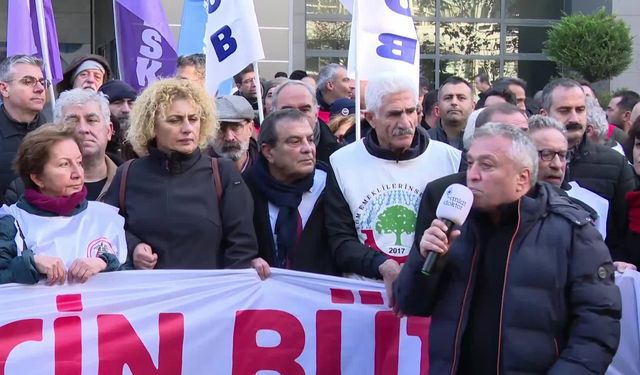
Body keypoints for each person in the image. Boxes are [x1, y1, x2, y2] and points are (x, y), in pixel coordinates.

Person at [395, 123, 621, 375]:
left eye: (487, 165)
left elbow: (596, 332)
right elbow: (411, 303)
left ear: (522, 178)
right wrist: (424, 261)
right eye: (470, 163)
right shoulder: (454, 222)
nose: (473, 174)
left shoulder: (573, 232)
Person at [326, 72, 461, 308]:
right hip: (366, 303)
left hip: (434, 301)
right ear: (371, 118)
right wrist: (382, 265)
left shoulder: (451, 160)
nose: (406, 122)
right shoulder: (342, 163)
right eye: (394, 114)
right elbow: (340, 242)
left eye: (411, 111)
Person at [102, 78, 257, 270]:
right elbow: (106, 229)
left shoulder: (222, 173)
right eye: (175, 120)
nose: (187, 129)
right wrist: (133, 247)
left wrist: (223, 294)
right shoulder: (128, 174)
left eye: (193, 119)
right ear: (152, 125)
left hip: (209, 296)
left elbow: (242, 247)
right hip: (146, 296)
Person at [0, 125, 126, 285]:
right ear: (37, 178)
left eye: (79, 162)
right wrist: (29, 263)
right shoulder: (12, 222)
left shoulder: (105, 217)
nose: (78, 173)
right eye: (64, 164)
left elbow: (133, 282)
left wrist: (104, 264)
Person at [541, 78, 636, 262]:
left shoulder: (615, 164)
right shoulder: (526, 161)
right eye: (564, 110)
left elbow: (626, 232)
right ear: (544, 113)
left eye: (580, 110)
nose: (574, 118)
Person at [245, 109, 340, 277]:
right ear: (268, 152)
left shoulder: (334, 186)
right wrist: (246, 262)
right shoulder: (243, 190)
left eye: (310, 140)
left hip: (321, 298)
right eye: (295, 142)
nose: (308, 149)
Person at [4, 89, 120, 204]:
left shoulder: (131, 180)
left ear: (109, 130)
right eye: (73, 121)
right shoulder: (23, 189)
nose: (83, 129)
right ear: (57, 129)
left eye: (91, 120)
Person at [0, 55, 48, 197]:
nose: (40, 88)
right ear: (4, 88)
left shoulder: (56, 134)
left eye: (41, 82)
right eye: (28, 82)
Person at [271, 80, 341, 164]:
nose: (297, 116)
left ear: (316, 113)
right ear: (273, 114)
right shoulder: (260, 153)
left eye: (304, 110)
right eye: (288, 111)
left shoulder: (339, 157)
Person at [207, 95, 258, 172]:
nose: (229, 137)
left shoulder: (269, 168)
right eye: (220, 129)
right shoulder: (198, 174)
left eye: (236, 127)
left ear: (250, 129)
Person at [428, 77, 475, 150]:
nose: (454, 102)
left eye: (461, 98)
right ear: (438, 108)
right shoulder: (425, 142)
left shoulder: (482, 142)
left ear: (473, 107)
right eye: (448, 98)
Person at [98, 79, 138, 160]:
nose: (126, 110)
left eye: (130, 103)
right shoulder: (96, 142)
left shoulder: (144, 143)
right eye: (118, 103)